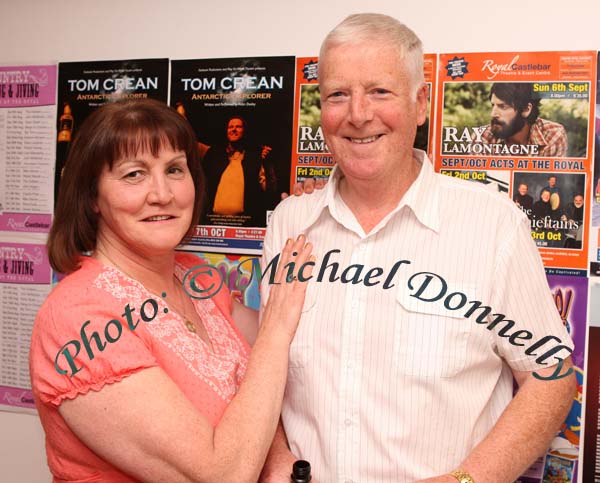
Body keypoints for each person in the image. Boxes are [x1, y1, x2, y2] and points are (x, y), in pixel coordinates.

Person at [259, 14, 575, 483]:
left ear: (421, 103)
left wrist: (466, 481)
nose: (358, 114)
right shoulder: (289, 223)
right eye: (337, 95)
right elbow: (267, 374)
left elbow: (551, 376)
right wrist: (277, 459)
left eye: (380, 92)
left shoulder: (492, 223)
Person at [29, 98, 313, 483]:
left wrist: (314, 216)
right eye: (134, 174)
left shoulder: (195, 276)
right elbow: (221, 474)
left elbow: (271, 373)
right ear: (92, 196)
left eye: (175, 169)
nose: (162, 194)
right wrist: (277, 327)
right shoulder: (77, 317)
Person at [203, 116, 278, 226]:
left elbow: (268, 188)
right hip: (215, 222)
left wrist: (267, 164)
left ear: (245, 131)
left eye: (238, 126)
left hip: (245, 223)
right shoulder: (214, 154)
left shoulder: (254, 157)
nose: (233, 129)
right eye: (230, 127)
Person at [478, 83, 568, 157]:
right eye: (493, 105)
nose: (493, 114)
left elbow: (549, 178)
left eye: (503, 107)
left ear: (526, 109)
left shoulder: (552, 134)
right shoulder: (482, 137)